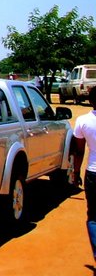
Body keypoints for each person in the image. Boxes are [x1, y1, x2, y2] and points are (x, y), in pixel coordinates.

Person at [73, 86, 96, 264]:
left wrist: (75, 172)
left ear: (90, 101)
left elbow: (79, 151)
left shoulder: (83, 121)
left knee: (93, 217)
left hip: (93, 173)